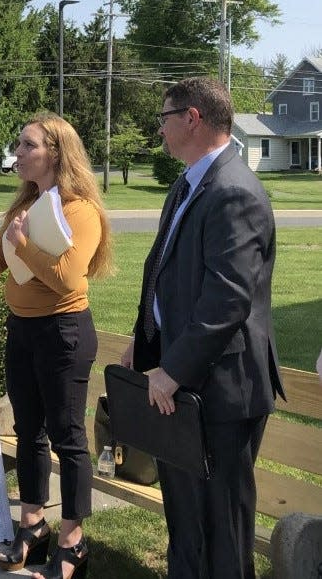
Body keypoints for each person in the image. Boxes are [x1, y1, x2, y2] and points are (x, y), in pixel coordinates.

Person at [122, 77, 285, 579]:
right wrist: (143, 337)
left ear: (191, 118)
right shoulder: (189, 182)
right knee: (186, 522)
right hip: (180, 383)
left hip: (222, 392)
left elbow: (227, 300)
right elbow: (162, 269)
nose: (160, 128)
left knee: (222, 529)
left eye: (164, 117)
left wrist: (173, 369)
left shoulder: (235, 192)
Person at [0, 112, 112, 579]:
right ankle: (33, 526)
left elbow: (69, 277)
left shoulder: (80, 210)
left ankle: (73, 542)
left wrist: (24, 245)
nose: (18, 152)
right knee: (29, 433)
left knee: (69, 439)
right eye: (19, 144)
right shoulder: (26, 204)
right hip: (22, 330)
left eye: (27, 145)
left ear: (55, 152)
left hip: (63, 332)